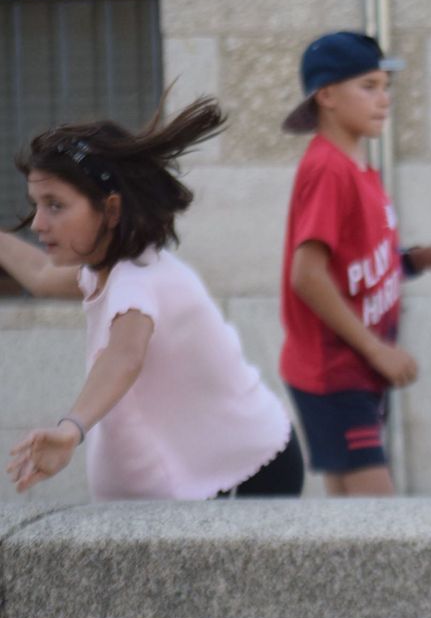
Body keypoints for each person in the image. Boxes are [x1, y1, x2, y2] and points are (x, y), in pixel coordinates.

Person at [2, 98, 304, 500]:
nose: (38, 223)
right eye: (36, 206)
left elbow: (124, 356)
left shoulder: (137, 281)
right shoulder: (103, 269)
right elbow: (39, 274)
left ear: (111, 210)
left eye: (55, 206)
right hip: (214, 469)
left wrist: (69, 429)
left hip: (248, 470)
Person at [279, 31, 431, 497]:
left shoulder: (357, 166)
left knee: (354, 529)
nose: (384, 99)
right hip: (335, 373)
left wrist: (421, 259)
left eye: (386, 86)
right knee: (381, 522)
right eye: (368, 86)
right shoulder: (327, 168)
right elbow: (307, 275)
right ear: (326, 96)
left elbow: (358, 267)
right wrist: (376, 350)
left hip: (355, 373)